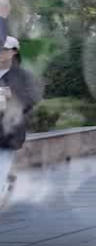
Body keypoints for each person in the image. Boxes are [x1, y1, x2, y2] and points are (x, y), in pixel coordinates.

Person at [0, 33, 41, 210]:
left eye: (3, 49)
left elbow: (32, 99)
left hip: (9, 131)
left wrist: (12, 96)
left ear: (14, 52)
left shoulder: (24, 76)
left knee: (2, 166)